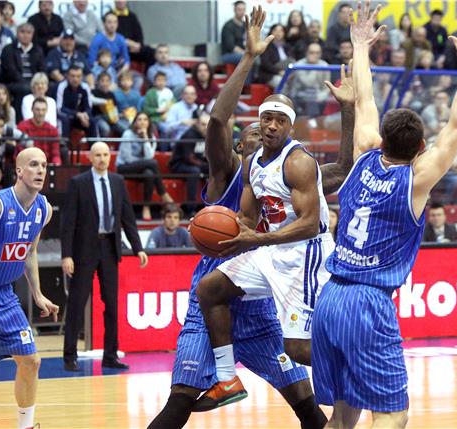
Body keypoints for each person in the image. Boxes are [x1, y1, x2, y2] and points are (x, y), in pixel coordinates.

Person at [147, 6, 354, 427]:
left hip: (265, 295)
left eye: (274, 126)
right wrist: (249, 57)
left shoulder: (291, 166)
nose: (264, 134)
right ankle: (225, 380)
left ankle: (353, 364)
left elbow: (339, 171)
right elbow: (220, 118)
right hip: (225, 289)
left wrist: (348, 111)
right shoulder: (229, 169)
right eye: (257, 130)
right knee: (180, 399)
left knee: (305, 401)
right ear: (241, 144)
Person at [311, 3, 457, 428]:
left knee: (342, 417)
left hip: (330, 297)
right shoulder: (417, 179)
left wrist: (360, 46)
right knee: (393, 415)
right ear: (421, 146)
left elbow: (366, 97)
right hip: (368, 302)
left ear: (382, 138)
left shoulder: (363, 153)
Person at [0, 147, 59, 429]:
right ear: (19, 171)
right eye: (33, 165)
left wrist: (37, 293)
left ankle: (26, 426)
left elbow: (30, 251)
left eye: (44, 166)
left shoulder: (43, 210)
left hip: (6, 294)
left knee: (31, 361)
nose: (40, 170)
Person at [61, 142, 148, 372]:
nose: (102, 158)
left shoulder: (118, 182)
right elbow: (67, 222)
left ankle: (110, 355)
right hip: (83, 250)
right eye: (97, 155)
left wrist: (138, 247)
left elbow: (127, 217)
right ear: (90, 157)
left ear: (110, 157)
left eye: (105, 154)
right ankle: (70, 356)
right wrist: (66, 255)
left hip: (110, 247)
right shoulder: (78, 183)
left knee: (111, 304)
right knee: (77, 303)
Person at [116, 112, 173, 220]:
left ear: (149, 123)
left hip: (141, 169)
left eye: (145, 120)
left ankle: (146, 207)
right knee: (153, 163)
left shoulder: (151, 136)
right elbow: (127, 158)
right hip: (124, 167)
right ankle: (163, 193)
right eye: (139, 119)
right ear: (135, 122)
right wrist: (143, 163)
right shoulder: (128, 134)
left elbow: (149, 156)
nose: (142, 122)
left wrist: (146, 138)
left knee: (149, 173)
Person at [0, 23, 46, 121]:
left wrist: (37, 83)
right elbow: (10, 72)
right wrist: (30, 85)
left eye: (29, 33)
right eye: (22, 32)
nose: (25, 35)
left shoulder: (38, 50)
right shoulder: (8, 49)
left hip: (33, 83)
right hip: (13, 83)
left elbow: (42, 70)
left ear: (32, 34)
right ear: (17, 33)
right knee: (24, 89)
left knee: (50, 87)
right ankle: (20, 121)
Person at [55, 65, 97, 140]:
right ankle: (64, 148)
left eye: (78, 76)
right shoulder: (61, 87)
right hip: (67, 116)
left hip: (80, 118)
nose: (75, 79)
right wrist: (77, 114)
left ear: (82, 77)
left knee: (92, 121)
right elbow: (60, 108)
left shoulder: (85, 87)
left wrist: (85, 115)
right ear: (67, 76)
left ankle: (94, 147)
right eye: (73, 76)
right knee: (65, 120)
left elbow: (88, 107)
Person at [17, 97, 61, 166]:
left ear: (47, 111)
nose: (40, 113)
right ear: (32, 110)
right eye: (37, 110)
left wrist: (56, 164)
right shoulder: (22, 126)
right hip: (28, 165)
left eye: (43, 110)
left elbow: (55, 153)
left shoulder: (53, 129)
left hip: (47, 166)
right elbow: (20, 152)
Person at [256, 24, 293, 89]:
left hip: (286, 72)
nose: (278, 33)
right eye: (275, 30)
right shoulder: (266, 46)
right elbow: (265, 64)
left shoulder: (287, 46)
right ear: (271, 32)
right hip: (270, 74)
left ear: (284, 33)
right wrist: (279, 72)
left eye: (281, 31)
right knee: (281, 84)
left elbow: (292, 61)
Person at [220, 0, 246, 65]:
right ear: (234, 10)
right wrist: (245, 53)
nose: (242, 12)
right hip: (228, 54)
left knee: (255, 57)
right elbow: (231, 46)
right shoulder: (228, 26)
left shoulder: (245, 25)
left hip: (242, 53)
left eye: (243, 9)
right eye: (239, 9)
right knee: (246, 58)